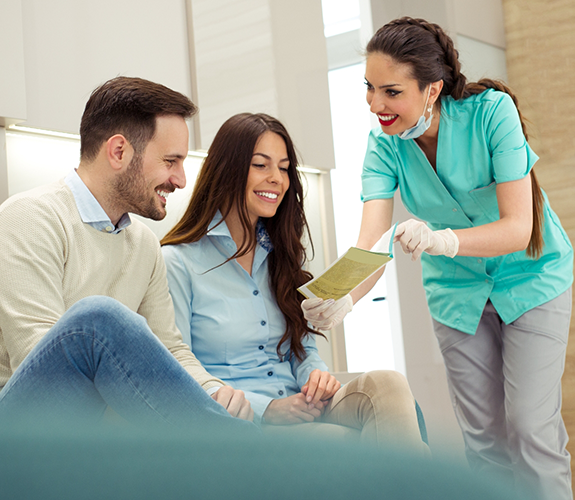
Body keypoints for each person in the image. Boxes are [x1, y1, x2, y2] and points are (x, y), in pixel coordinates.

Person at [301, 16, 573, 500]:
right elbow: (370, 242)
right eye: (369, 89)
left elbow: (519, 227)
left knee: (530, 426)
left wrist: (443, 240)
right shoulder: (384, 147)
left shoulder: (493, 113)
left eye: (391, 92)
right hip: (457, 297)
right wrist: (340, 299)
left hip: (532, 279)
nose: (375, 105)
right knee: (485, 441)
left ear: (432, 89)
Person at [160, 112, 428, 455]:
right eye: (261, 165)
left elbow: (302, 350)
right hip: (241, 425)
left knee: (388, 384)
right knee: (353, 447)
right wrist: (268, 411)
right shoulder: (177, 262)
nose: (277, 179)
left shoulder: (282, 255)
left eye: (284, 168)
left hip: (304, 406)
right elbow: (178, 370)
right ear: (228, 168)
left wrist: (316, 376)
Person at [0, 76, 255, 429]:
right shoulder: (29, 217)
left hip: (93, 430)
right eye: (171, 161)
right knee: (96, 319)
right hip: (19, 429)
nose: (180, 179)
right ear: (119, 152)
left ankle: (233, 450)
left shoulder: (145, 243)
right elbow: (44, 362)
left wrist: (212, 392)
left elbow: (171, 349)